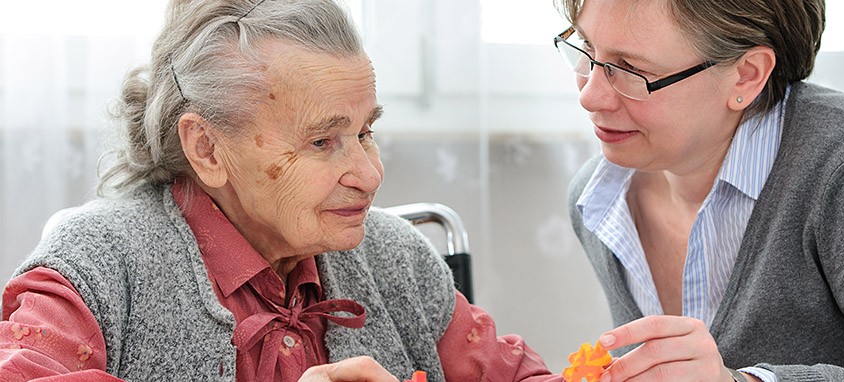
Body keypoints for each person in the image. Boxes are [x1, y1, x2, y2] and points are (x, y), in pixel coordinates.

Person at [0, 1, 563, 381]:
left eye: (366, 132)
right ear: (207, 149)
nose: (370, 174)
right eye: (322, 141)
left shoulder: (397, 260)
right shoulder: (95, 266)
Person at [555, 0, 844, 381]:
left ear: (747, 75)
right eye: (587, 50)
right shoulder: (598, 201)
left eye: (630, 69)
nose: (590, 95)